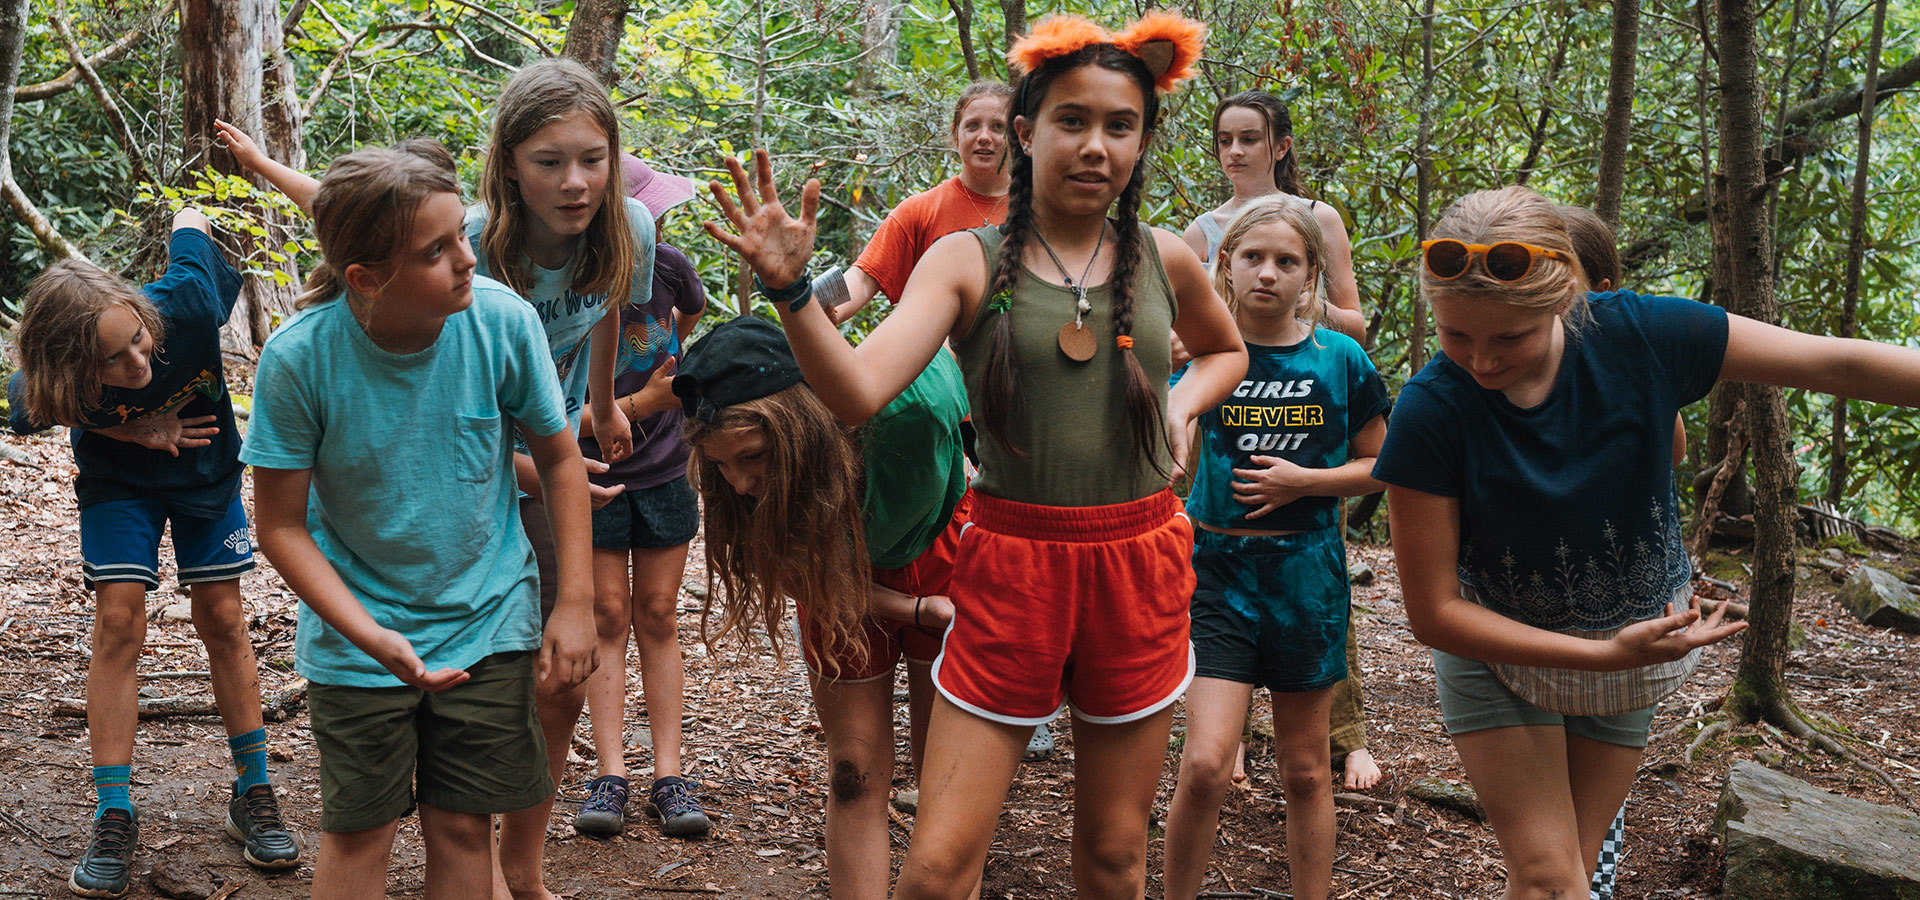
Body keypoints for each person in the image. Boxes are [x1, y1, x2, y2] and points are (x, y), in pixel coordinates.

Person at [703, 12, 1248, 898]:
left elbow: (1226, 353)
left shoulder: (1165, 257)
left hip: (1139, 559)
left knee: (1115, 857)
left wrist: (1182, 405)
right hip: (1010, 561)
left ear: (1144, 139)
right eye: (1072, 121)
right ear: (1028, 135)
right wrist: (789, 289)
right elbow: (854, 391)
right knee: (937, 868)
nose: (1096, 145)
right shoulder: (964, 258)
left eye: (1121, 125)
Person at [1374, 184, 1920, 899]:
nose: (1481, 360)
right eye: (1455, 336)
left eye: (1509, 337)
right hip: (1497, 646)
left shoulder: (1643, 336)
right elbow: (1434, 612)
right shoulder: (1429, 411)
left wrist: (1614, 653)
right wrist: (1599, 654)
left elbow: (1832, 363)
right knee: (1550, 879)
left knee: (1567, 865)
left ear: (1568, 296)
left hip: (1632, 635)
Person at [245, 147, 597, 900]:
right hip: (357, 633)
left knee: (466, 825)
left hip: (488, 615)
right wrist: (369, 636)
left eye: (461, 235)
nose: (467, 259)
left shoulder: (502, 322)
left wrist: (574, 602)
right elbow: (278, 526)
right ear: (366, 280)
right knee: (361, 831)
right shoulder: (299, 361)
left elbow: (561, 462)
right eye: (436, 251)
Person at [10, 210, 301, 897]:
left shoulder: (189, 300)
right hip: (119, 484)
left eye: (138, 340)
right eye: (112, 360)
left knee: (224, 618)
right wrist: (134, 428)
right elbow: (30, 407)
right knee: (119, 620)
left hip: (206, 471)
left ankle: (251, 793)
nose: (137, 363)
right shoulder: (46, 384)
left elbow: (191, 217)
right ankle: (115, 810)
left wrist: (189, 208)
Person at [674, 316, 974, 899]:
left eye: (753, 457)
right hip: (836, 584)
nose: (737, 482)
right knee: (854, 775)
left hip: (942, 549)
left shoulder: (903, 414)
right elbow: (798, 576)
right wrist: (914, 611)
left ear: (799, 428)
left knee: (946, 777)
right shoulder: (732, 479)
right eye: (722, 464)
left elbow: (947, 353)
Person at [1160, 196, 1388, 900]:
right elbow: (1174, 433)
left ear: (1311, 276)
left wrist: (1306, 481)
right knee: (1203, 765)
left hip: (1306, 573)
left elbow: (1383, 461)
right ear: (1225, 265)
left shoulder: (1339, 357)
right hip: (1216, 572)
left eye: (1287, 262)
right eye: (1253, 258)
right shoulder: (1200, 351)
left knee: (1306, 769)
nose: (1268, 274)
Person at [1186, 89, 1382, 790]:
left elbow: (1353, 322)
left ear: (1281, 146)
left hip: (1309, 417)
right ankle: (1226, 738)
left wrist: (1298, 299)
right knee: (1224, 591)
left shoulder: (1317, 218)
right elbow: (1182, 324)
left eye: (1249, 138)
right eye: (1224, 140)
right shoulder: (1202, 229)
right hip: (1223, 432)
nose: (1235, 151)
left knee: (1316, 583)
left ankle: (1347, 737)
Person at [570, 155, 712, 838]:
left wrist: (668, 373)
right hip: (590, 464)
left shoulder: (673, 265)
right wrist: (638, 397)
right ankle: (609, 771)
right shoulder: (573, 279)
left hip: (664, 464)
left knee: (657, 612)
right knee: (606, 612)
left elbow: (690, 311)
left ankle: (669, 772)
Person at [822, 82, 1012, 324]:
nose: (984, 137)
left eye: (998, 127)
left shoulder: (1040, 210)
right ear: (956, 135)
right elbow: (862, 277)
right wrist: (812, 302)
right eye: (972, 126)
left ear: (1018, 136)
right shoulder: (921, 209)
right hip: (933, 356)